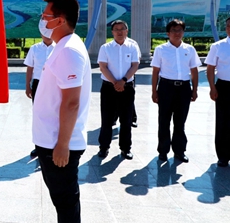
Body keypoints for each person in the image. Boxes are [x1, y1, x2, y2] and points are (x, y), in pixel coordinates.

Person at [33, 0, 90, 223]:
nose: (42, 20)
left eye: (46, 16)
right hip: (51, 139)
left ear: (60, 20)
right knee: (62, 199)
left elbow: (71, 102)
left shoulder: (68, 51)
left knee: (66, 199)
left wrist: (62, 144)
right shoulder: (62, 46)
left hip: (59, 142)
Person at [151, 19, 200, 163]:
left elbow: (194, 71)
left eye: (180, 30)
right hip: (166, 87)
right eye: (174, 30)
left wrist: (194, 89)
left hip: (183, 88)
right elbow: (155, 72)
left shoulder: (189, 49)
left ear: (183, 32)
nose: (177, 33)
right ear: (168, 33)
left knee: (180, 121)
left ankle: (179, 151)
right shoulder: (160, 49)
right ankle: (163, 150)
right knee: (164, 120)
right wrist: (154, 91)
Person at [97, 20, 140, 160]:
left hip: (127, 87)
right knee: (107, 119)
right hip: (109, 87)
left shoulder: (132, 47)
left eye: (122, 29)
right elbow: (103, 67)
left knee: (126, 120)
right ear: (112, 32)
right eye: (116, 29)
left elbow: (135, 65)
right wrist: (115, 82)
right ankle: (104, 147)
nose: (119, 31)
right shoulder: (105, 48)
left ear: (127, 31)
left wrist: (123, 81)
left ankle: (125, 148)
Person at [24, 34, 56, 157]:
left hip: (54, 83)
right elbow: (30, 68)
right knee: (38, 115)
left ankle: (53, 145)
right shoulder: (35, 48)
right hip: (38, 83)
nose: (47, 35)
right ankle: (39, 146)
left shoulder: (59, 48)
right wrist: (28, 86)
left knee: (53, 114)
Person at [205, 17, 230, 167]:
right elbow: (210, 68)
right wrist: (212, 87)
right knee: (223, 122)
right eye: (228, 26)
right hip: (224, 87)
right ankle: (223, 156)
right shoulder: (218, 46)